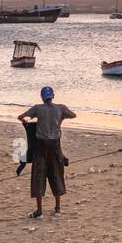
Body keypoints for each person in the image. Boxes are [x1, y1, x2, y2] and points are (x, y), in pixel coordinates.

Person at [18, 86, 75, 218]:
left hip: (41, 148)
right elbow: (73, 115)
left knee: (38, 177)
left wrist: (27, 123)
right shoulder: (61, 108)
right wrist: (60, 119)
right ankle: (58, 209)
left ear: (42, 97)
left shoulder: (37, 108)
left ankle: (39, 211)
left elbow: (21, 117)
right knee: (57, 175)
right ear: (52, 96)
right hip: (55, 147)